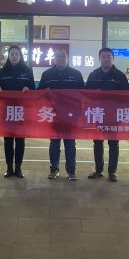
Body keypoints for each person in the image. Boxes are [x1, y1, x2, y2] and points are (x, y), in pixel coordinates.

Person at [39, 48, 84, 181]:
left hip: (71, 115)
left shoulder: (76, 74)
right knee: (54, 143)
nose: (60, 59)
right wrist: (45, 92)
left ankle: (71, 171)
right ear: (54, 59)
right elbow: (39, 93)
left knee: (70, 143)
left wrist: (79, 113)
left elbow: (83, 94)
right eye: (58, 57)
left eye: (63, 57)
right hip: (53, 114)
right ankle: (54, 169)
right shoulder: (47, 74)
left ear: (67, 59)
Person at [85, 47, 129, 182]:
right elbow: (86, 95)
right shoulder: (93, 75)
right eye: (103, 56)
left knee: (113, 143)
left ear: (113, 59)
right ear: (100, 59)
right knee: (97, 142)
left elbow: (127, 97)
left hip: (114, 115)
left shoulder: (120, 76)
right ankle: (98, 170)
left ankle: (112, 172)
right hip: (98, 114)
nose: (106, 59)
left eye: (109, 56)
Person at [0, 45, 35, 178]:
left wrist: (28, 89)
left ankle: (18, 168)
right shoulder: (2, 71)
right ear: (8, 56)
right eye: (12, 54)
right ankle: (9, 167)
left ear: (20, 56)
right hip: (6, 110)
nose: (14, 56)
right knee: (8, 140)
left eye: (17, 54)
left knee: (20, 140)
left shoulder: (27, 71)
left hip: (21, 110)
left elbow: (33, 88)